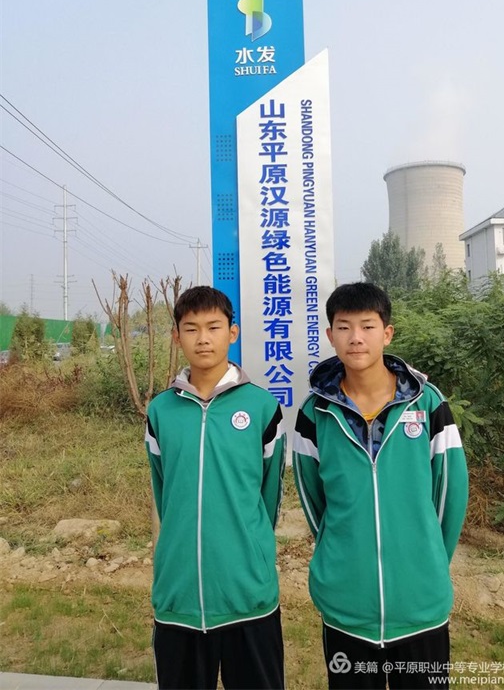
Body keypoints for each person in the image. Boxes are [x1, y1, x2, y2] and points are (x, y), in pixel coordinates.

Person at [293, 282, 468, 690]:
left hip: (419, 605)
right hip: (346, 607)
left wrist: (428, 561)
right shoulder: (315, 413)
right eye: (344, 327)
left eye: (367, 326)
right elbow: (313, 499)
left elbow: (450, 493)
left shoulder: (427, 404)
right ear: (330, 334)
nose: (356, 338)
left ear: (387, 333)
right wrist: (339, 552)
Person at [145, 286, 286, 690]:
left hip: (247, 596)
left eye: (213, 327)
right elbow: (164, 490)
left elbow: (268, 495)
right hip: (179, 597)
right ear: (176, 336)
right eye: (191, 329)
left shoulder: (262, 407)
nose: (203, 338)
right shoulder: (161, 410)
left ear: (232, 333)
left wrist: (250, 547)